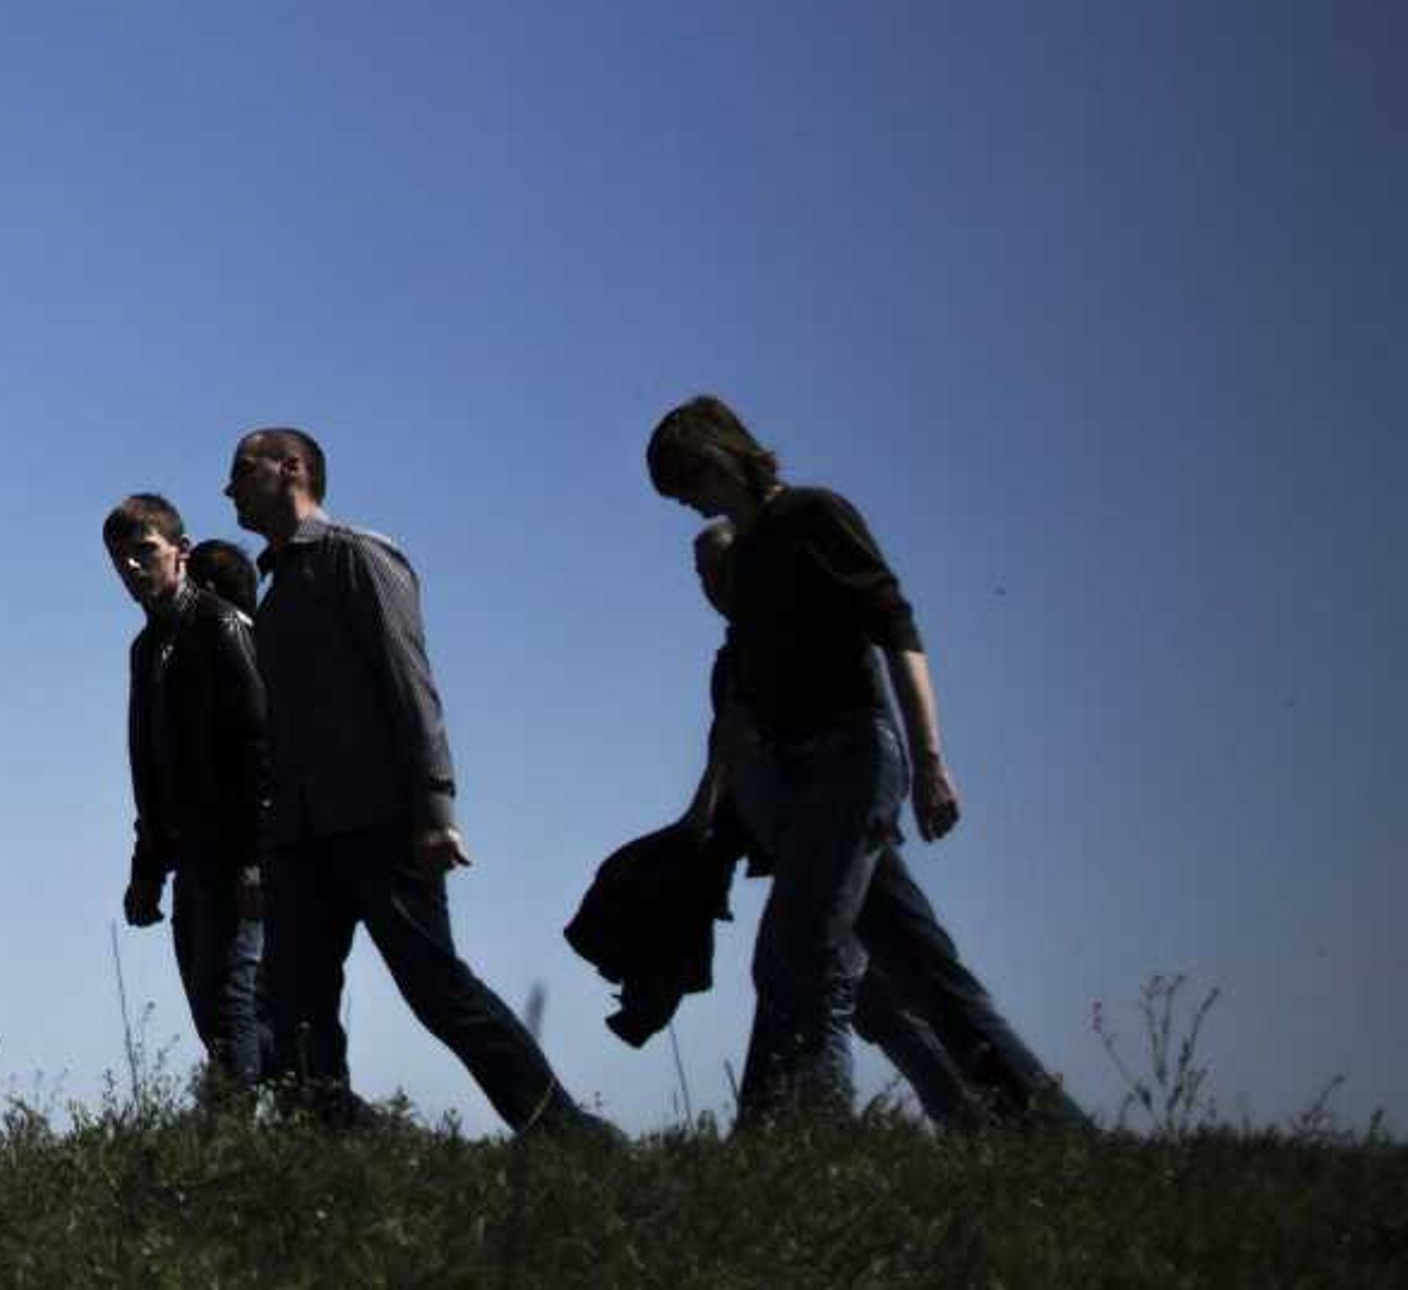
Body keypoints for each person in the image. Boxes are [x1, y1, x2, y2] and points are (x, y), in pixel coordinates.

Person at [649, 397, 1083, 1130]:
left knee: (798, 951)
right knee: (924, 970)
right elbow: (750, 697)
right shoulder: (747, 560)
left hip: (851, 761)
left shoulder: (816, 515)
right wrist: (708, 810)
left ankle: (798, 1140)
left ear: (720, 455)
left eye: (688, 481)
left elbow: (896, 630)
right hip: (798, 780)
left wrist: (931, 759)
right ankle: (1058, 1130)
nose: (689, 504)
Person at [228, 424, 607, 1138]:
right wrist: (265, 846)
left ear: (292, 467)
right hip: (302, 837)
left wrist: (436, 805)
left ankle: (567, 1133)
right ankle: (335, 1150)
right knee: (295, 1003)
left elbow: (409, 679)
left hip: (378, 821)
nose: (230, 489)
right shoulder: (274, 595)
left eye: (242, 470)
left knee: (437, 989)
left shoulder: (357, 558)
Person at [107, 491, 266, 1093]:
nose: (131, 567)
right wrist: (148, 869)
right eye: (119, 557)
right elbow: (151, 769)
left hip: (232, 852)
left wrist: (256, 856)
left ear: (181, 551)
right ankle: (335, 1113)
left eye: (144, 551)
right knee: (216, 1009)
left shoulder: (220, 626)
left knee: (229, 1006)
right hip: (190, 856)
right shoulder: (148, 648)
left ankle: (234, 1146)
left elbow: (259, 744)